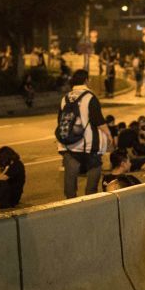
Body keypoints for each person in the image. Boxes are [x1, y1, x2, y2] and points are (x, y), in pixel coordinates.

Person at [58, 69, 112, 199]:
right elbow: (98, 120)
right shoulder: (90, 97)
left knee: (71, 172)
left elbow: (60, 120)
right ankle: (90, 197)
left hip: (70, 143)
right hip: (88, 143)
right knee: (95, 167)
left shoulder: (65, 98)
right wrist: (109, 135)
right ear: (86, 80)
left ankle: (70, 200)